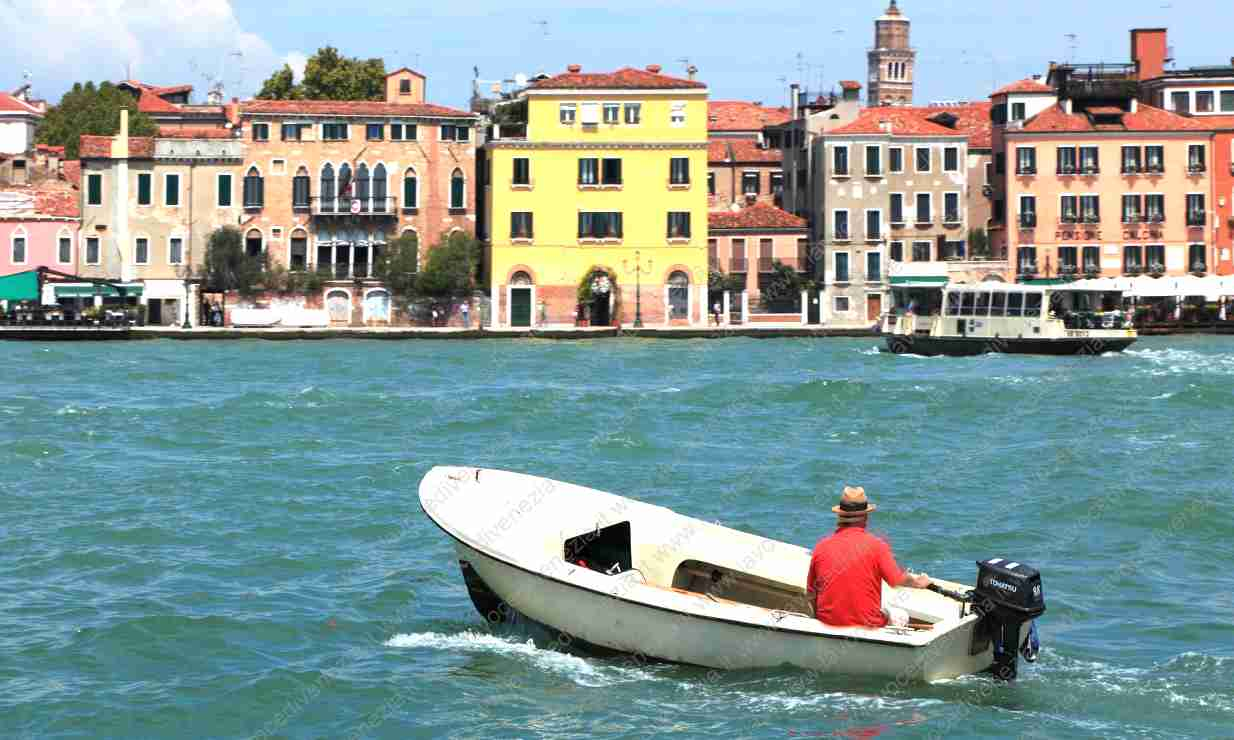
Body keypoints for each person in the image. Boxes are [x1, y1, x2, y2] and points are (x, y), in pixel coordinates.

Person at [805, 486, 931, 629]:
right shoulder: (877, 546)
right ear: (865, 516)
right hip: (867, 625)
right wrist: (919, 582)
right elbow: (896, 580)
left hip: (827, 624)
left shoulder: (821, 547)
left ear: (839, 516)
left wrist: (819, 619)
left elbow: (811, 593)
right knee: (901, 615)